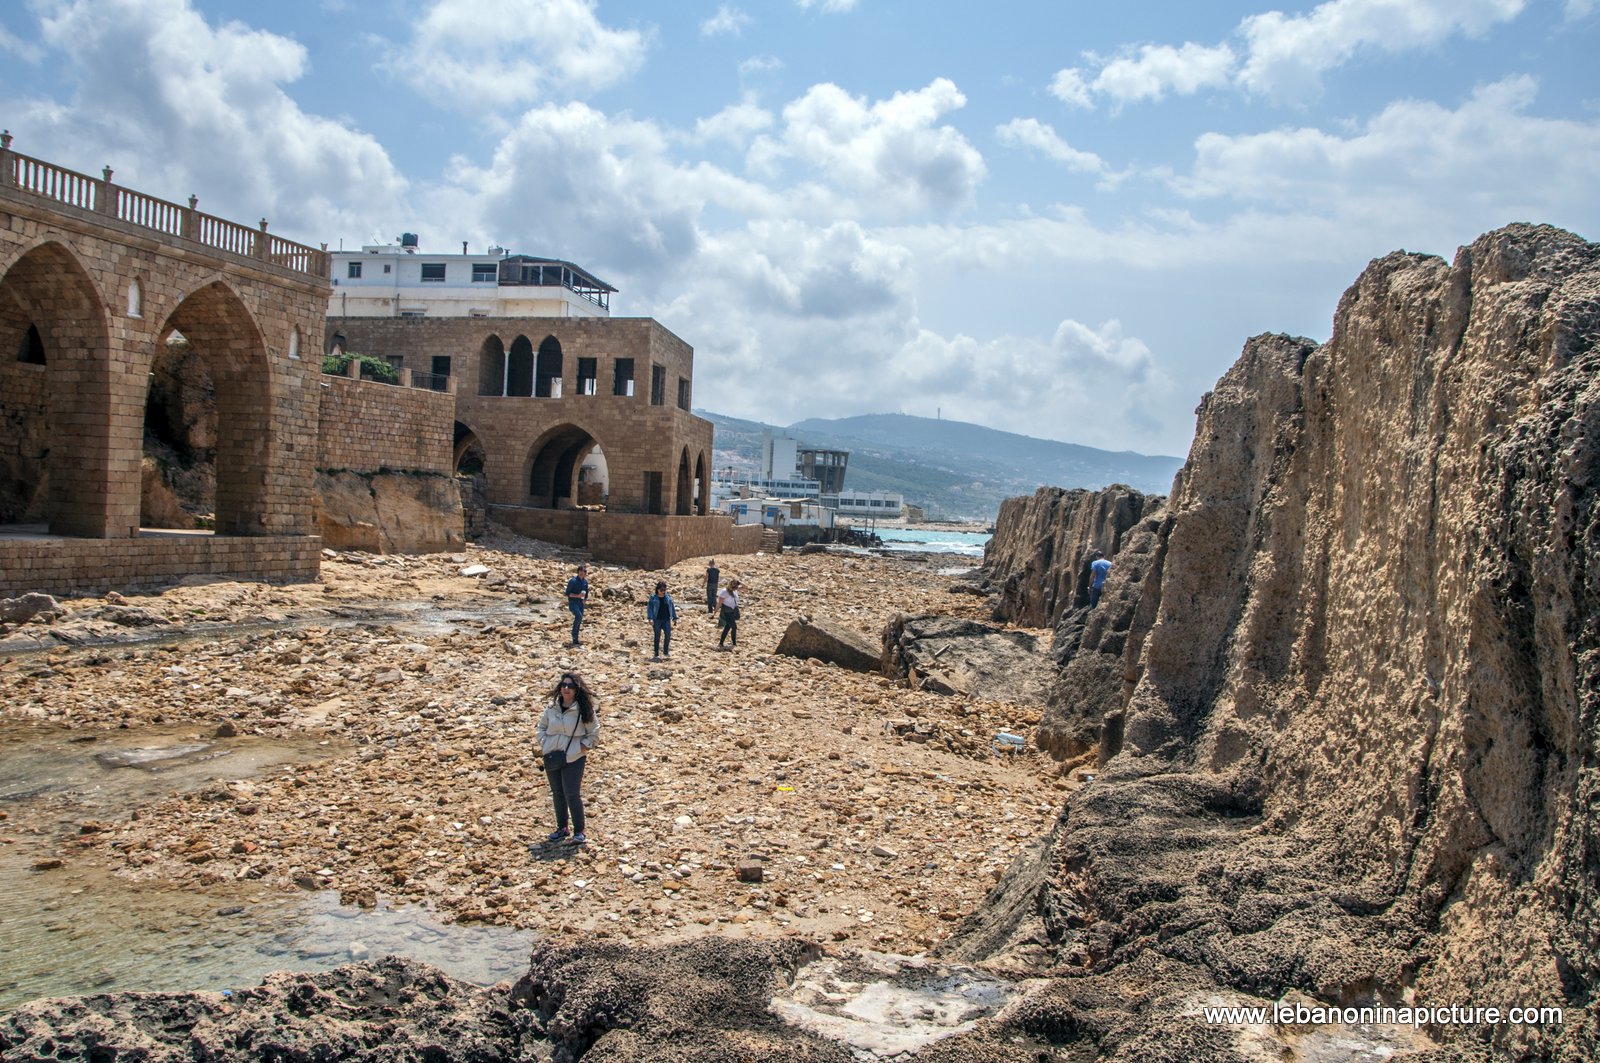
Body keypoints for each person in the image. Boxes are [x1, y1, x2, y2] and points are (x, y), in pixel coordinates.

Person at [536, 671, 599, 846]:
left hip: (574, 757)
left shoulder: (583, 710)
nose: (566, 689)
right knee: (557, 793)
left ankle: (579, 831)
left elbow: (594, 732)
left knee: (571, 793)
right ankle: (562, 827)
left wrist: (580, 748)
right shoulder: (552, 708)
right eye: (563, 685)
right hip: (552, 754)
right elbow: (541, 727)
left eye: (570, 686)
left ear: (576, 689)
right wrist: (545, 743)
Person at [647, 580, 678, 659]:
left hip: (666, 619)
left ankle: (665, 652)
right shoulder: (653, 598)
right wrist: (650, 618)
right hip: (656, 620)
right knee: (657, 636)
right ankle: (656, 653)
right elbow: (650, 608)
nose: (663, 592)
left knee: (668, 635)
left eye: (664, 590)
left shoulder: (668, 597)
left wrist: (674, 617)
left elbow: (672, 607)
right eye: (661, 590)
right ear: (657, 589)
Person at [564, 564, 589, 646]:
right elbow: (567, 593)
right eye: (580, 571)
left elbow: (586, 593)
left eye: (584, 571)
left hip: (580, 603)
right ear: (578, 571)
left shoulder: (585, 582)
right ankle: (574, 636)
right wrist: (577, 596)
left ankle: (576, 639)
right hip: (573, 602)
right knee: (578, 616)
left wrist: (584, 600)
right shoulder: (573, 581)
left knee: (580, 619)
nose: (582, 573)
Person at [717, 578, 741, 649]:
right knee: (734, 627)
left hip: (733, 612)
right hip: (727, 612)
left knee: (727, 627)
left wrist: (739, 582)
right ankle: (734, 643)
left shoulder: (735, 591)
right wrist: (714, 613)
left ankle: (721, 643)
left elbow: (746, 588)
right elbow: (719, 603)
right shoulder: (724, 592)